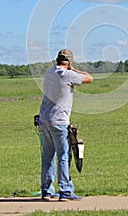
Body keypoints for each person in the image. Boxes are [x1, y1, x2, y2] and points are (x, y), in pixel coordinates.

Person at [39, 49, 93, 201]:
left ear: (56, 60)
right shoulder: (68, 74)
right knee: (64, 156)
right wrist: (74, 69)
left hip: (44, 119)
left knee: (48, 156)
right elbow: (90, 78)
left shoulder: (49, 73)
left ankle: (47, 190)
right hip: (59, 121)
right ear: (69, 62)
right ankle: (66, 191)